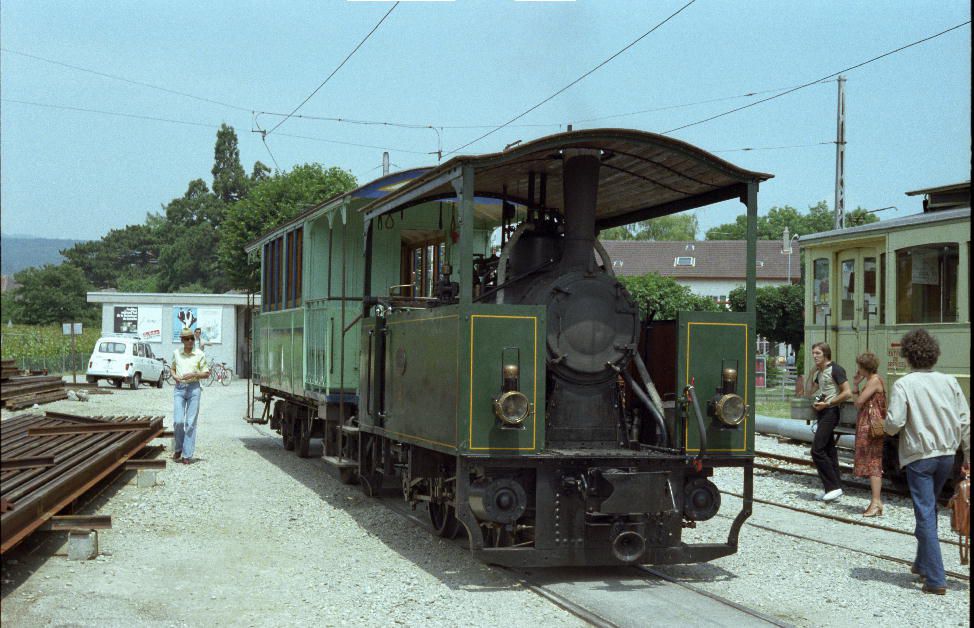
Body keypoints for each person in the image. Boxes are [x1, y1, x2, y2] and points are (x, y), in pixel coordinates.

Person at [885, 329, 970, 596]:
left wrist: (885, 427)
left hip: (919, 456)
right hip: (946, 455)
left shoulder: (904, 384)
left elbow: (895, 423)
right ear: (934, 354)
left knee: (924, 513)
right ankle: (922, 563)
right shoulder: (950, 381)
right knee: (929, 508)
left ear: (908, 356)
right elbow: (965, 420)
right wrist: (968, 454)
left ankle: (935, 578)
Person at [807, 342, 851, 501]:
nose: (814, 356)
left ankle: (833, 487)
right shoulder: (820, 372)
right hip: (823, 411)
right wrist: (811, 373)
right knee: (829, 451)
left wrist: (828, 403)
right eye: (813, 353)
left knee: (816, 450)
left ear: (825, 354)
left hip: (831, 412)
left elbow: (847, 393)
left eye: (817, 353)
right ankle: (833, 489)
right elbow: (808, 392)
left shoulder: (836, 369)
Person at [852, 352, 886, 516]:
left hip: (871, 428)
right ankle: (875, 502)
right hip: (868, 425)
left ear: (865, 368)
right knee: (873, 462)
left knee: (874, 463)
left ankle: (876, 502)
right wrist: (857, 385)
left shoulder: (874, 381)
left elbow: (858, 403)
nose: (858, 370)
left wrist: (856, 386)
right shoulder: (873, 380)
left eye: (860, 367)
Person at [171, 326, 210, 464]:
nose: (190, 341)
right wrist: (175, 376)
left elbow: (206, 373)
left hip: (194, 389)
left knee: (190, 422)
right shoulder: (176, 353)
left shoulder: (199, 354)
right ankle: (178, 447)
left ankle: (187, 455)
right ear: (182, 340)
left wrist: (194, 374)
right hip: (179, 389)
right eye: (187, 339)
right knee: (178, 421)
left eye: (192, 338)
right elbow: (172, 368)